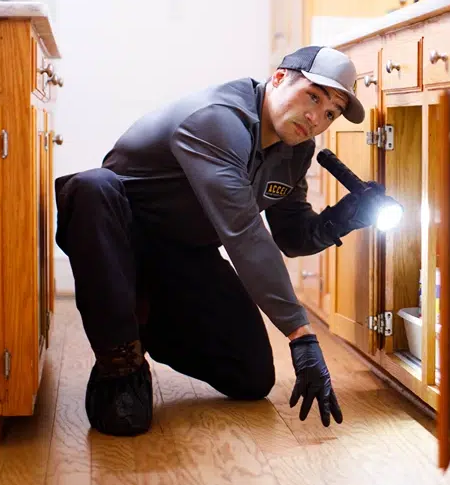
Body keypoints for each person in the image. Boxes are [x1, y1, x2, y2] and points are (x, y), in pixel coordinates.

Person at [53, 45, 388, 437]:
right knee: (93, 188)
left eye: (330, 113)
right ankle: (120, 361)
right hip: (120, 246)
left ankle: (145, 324)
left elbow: (292, 236)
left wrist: (343, 217)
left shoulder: (296, 150)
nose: (316, 118)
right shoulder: (218, 120)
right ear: (279, 78)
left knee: (251, 376)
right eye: (312, 96)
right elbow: (244, 233)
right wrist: (301, 333)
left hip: (183, 254)